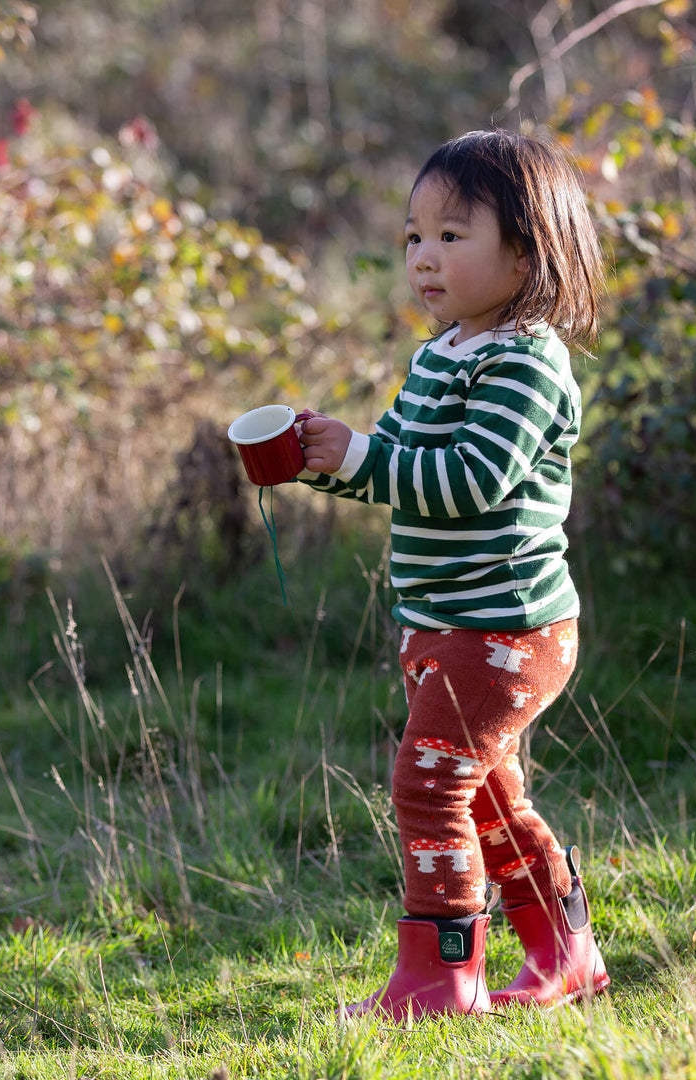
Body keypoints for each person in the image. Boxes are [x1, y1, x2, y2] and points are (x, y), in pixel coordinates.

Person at [296, 128, 610, 1020]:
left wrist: (364, 453)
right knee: (491, 797)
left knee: (428, 784)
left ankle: (440, 980)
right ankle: (566, 954)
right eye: (413, 236)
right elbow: (397, 459)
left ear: (526, 249)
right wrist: (326, 458)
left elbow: (470, 480)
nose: (424, 258)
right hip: (443, 625)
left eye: (451, 234)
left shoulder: (527, 361)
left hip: (507, 629)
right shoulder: (442, 354)